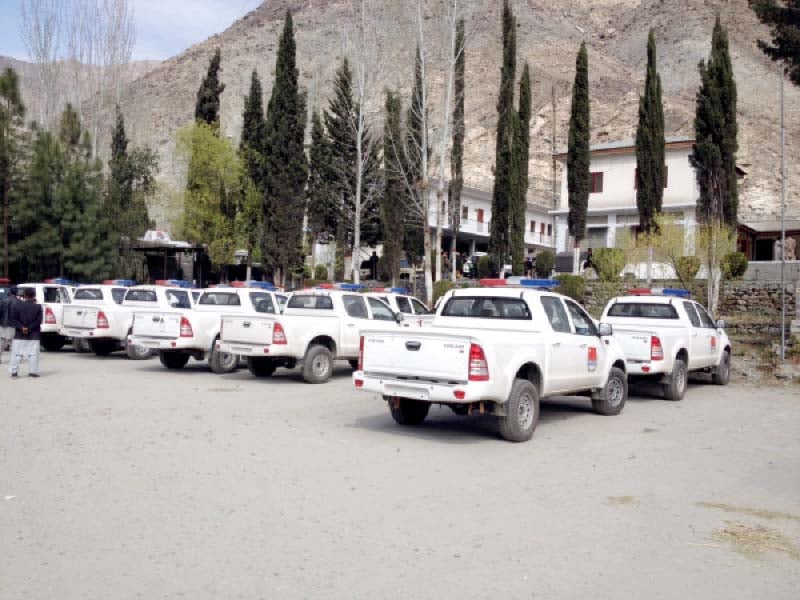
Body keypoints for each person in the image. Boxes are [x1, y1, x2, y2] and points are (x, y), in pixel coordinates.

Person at [9, 287, 43, 378]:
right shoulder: (38, 307)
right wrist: (29, 328)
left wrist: (22, 327)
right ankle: (33, 372)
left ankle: (14, 372)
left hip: (19, 334)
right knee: (33, 354)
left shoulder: (16, 306)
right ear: (34, 295)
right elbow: (39, 321)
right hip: (33, 334)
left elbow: (13, 319)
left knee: (16, 354)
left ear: (24, 295)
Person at [0, 286, 18, 364]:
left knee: (1, 342)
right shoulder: (18, 302)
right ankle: (14, 359)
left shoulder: (3, 301)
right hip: (14, 325)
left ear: (9, 292)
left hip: (3, 324)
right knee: (14, 343)